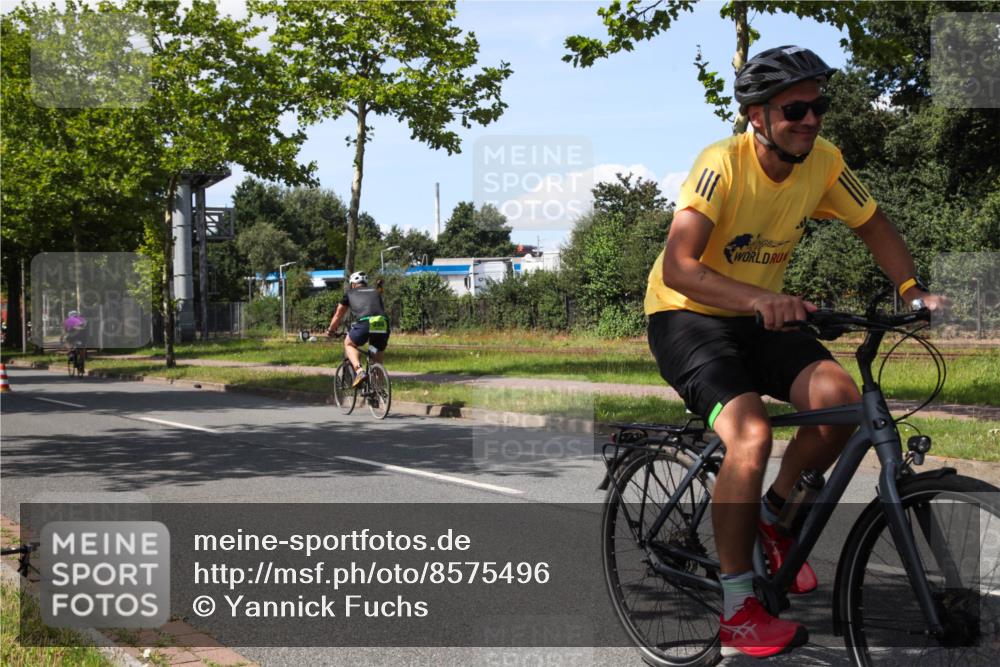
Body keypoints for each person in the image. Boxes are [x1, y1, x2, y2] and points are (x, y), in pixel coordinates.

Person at [644, 45, 947, 658]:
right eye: (794, 109)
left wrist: (911, 288)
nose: (809, 120)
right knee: (750, 433)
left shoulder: (824, 162)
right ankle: (738, 609)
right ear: (757, 115)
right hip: (686, 314)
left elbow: (874, 224)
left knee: (839, 402)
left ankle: (775, 516)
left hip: (759, 315)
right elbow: (679, 266)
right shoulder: (720, 164)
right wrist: (759, 298)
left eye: (818, 107)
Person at [327, 271, 390, 388]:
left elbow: (338, 314)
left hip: (365, 323)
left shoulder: (349, 293)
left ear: (353, 284)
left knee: (348, 344)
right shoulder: (376, 292)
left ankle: (359, 371)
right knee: (377, 358)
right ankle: (378, 392)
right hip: (383, 323)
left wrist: (331, 330)